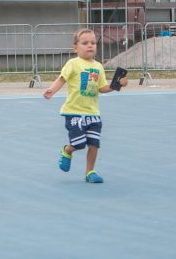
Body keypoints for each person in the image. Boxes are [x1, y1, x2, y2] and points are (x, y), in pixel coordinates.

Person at [43, 28, 128, 184]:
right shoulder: (73, 64)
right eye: (85, 43)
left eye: (93, 43)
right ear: (75, 48)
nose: (90, 45)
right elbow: (62, 79)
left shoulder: (99, 66)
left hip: (93, 113)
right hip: (74, 112)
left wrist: (116, 85)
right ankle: (67, 150)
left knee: (94, 143)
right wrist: (51, 90)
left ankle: (90, 172)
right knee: (79, 143)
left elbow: (102, 88)